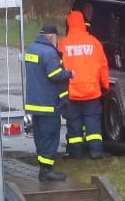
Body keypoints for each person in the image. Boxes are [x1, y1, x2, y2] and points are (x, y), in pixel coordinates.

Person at [58, 9, 110, 159]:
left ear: (69, 24)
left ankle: (76, 152)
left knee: (74, 122)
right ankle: (96, 151)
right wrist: (105, 85)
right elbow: (103, 66)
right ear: (83, 24)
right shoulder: (94, 43)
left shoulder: (62, 45)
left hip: (72, 91)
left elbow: (58, 69)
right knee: (92, 120)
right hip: (91, 90)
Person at [23, 23, 69, 182]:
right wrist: (69, 73)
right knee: (50, 135)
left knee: (40, 135)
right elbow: (55, 75)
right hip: (48, 103)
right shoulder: (49, 52)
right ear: (51, 36)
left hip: (34, 103)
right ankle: (46, 170)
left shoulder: (31, 49)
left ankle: (43, 167)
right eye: (56, 37)